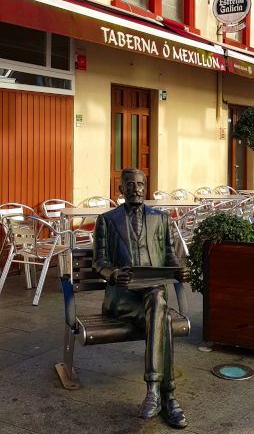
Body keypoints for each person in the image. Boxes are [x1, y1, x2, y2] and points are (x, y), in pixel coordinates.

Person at [93, 168, 190, 429]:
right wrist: (113, 274)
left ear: (145, 187)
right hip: (122, 298)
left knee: (158, 299)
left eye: (139, 184)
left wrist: (178, 269)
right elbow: (98, 261)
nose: (135, 188)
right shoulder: (106, 219)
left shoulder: (162, 219)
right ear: (121, 188)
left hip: (151, 291)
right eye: (129, 184)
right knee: (162, 314)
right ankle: (168, 396)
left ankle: (154, 392)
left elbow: (169, 255)